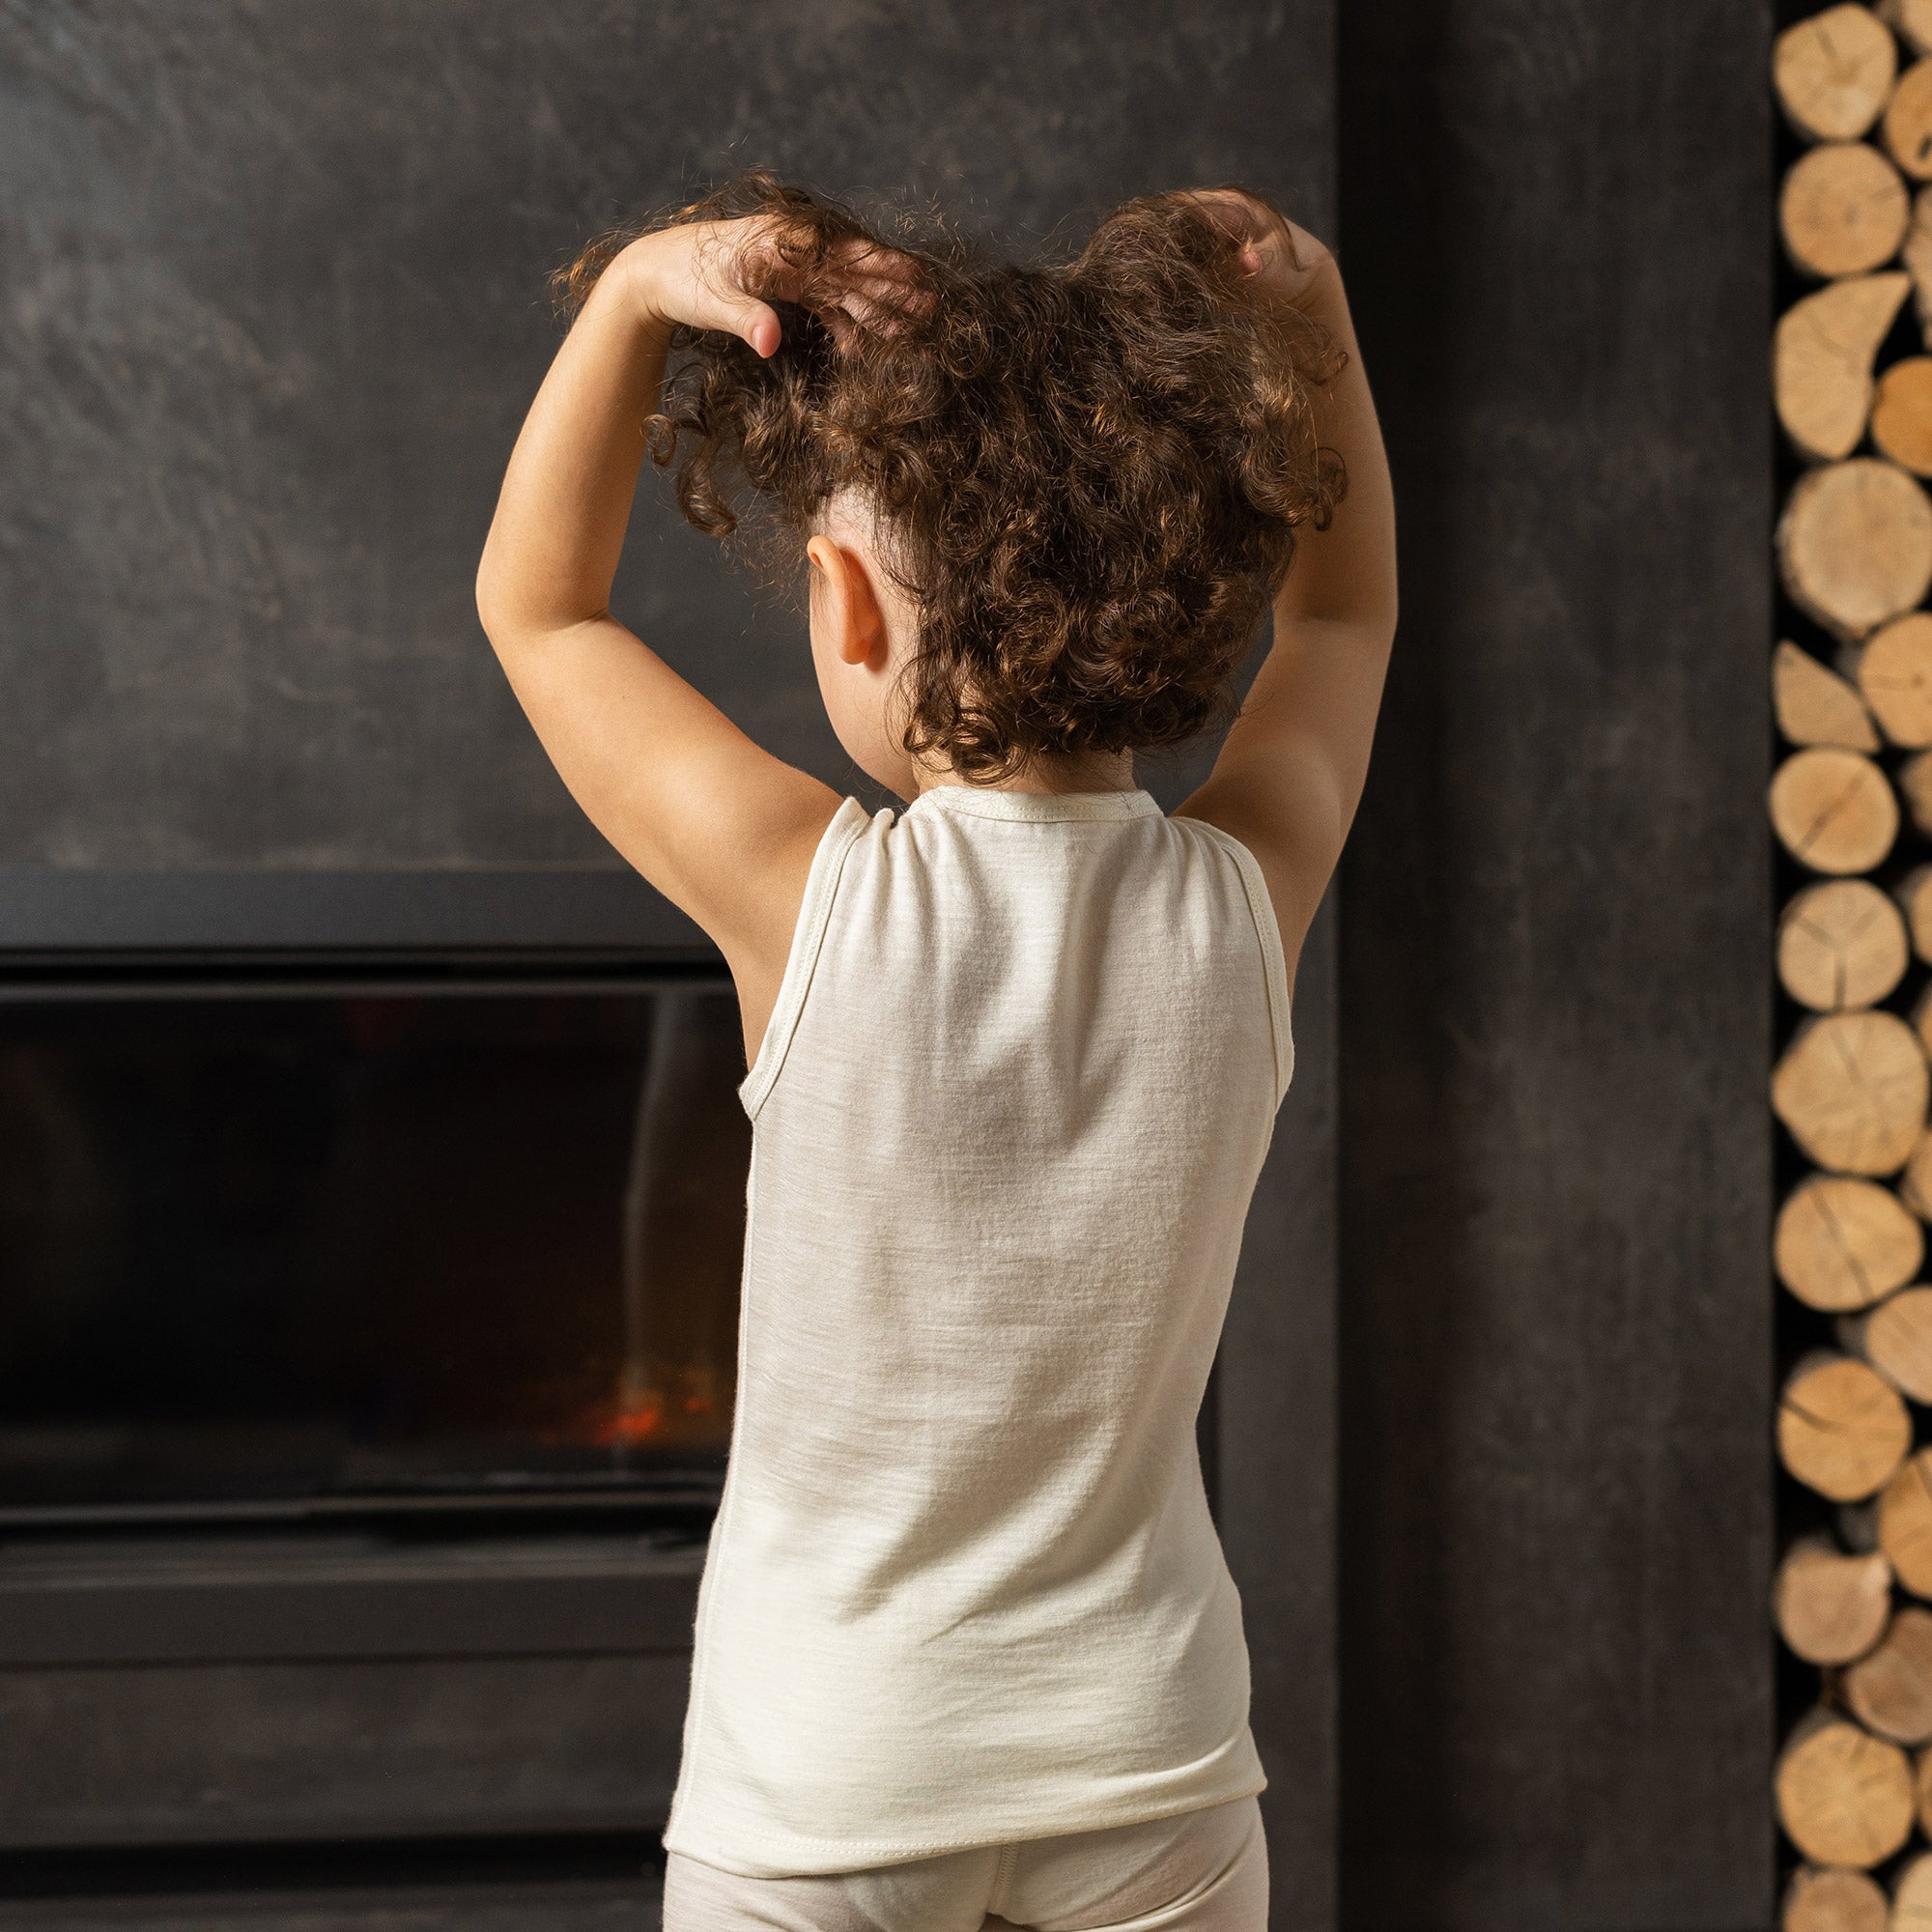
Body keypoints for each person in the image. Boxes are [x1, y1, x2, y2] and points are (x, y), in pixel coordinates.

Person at [476, 170, 1395, 1932]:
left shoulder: (810, 899)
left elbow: (544, 609)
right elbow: (1345, 619)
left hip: (829, 1785)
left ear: (846, 605)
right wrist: (1321, 327)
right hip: (1156, 1777)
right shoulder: (1244, 896)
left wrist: (637, 295)